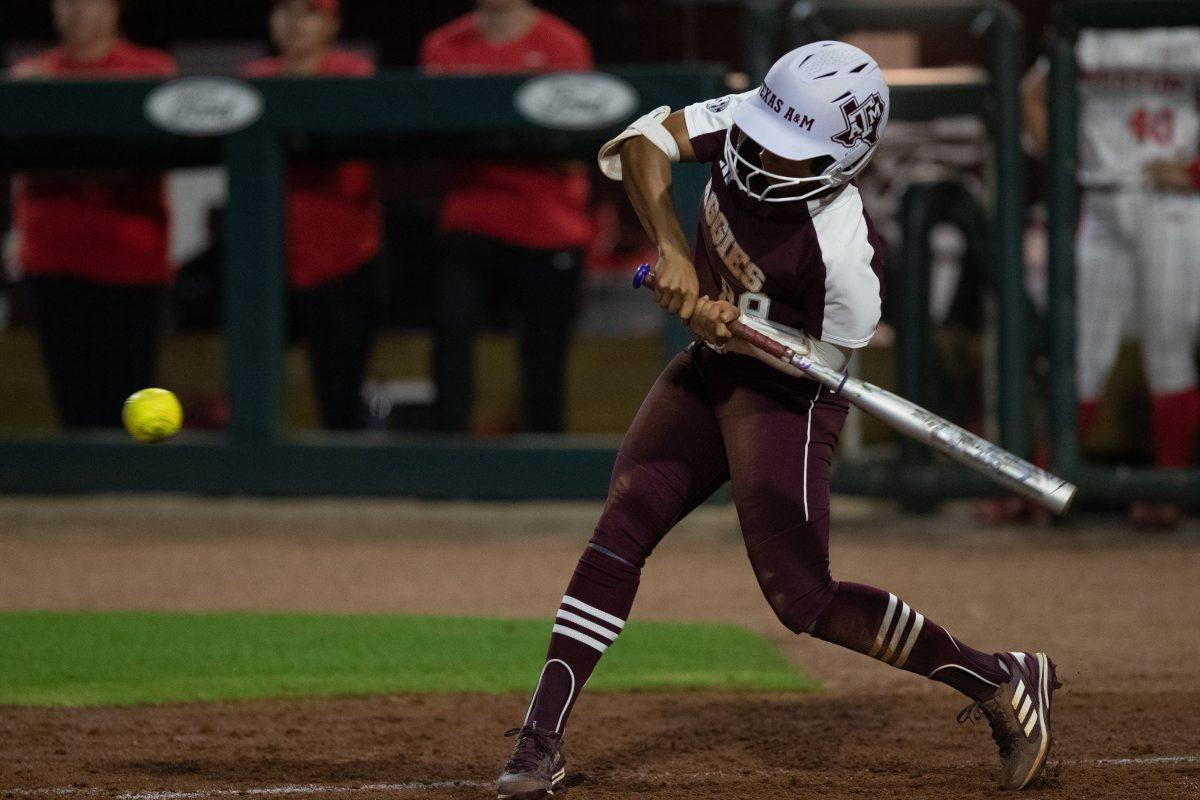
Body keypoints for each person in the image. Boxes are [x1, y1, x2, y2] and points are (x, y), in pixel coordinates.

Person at [494, 42, 1060, 800]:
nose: (761, 156)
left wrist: (741, 325)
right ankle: (540, 741)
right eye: (763, 137)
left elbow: (820, 363)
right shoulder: (744, 122)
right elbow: (643, 144)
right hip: (711, 365)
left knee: (805, 601)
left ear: (842, 156)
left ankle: (1000, 678)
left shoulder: (846, 254)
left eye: (787, 152)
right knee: (621, 529)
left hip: (787, 395)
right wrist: (672, 248)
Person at [1024, 28, 1200, 528]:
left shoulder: (1187, 29)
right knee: (1082, 355)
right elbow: (1032, 94)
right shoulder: (1091, 31)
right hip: (1101, 201)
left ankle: (1169, 491)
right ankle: (1039, 487)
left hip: (1169, 202)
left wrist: (1195, 171)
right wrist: (1064, 161)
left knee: (1167, 349)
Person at [420, 0, 594, 433]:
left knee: (543, 357)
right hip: (470, 220)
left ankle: (545, 470)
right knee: (450, 333)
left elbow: (573, 154)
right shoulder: (442, 45)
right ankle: (449, 463)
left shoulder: (564, 45)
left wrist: (490, 140)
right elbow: (429, 140)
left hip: (548, 226)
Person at [10, 0, 176, 429]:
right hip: (53, 261)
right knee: (74, 405)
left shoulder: (150, 70)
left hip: (131, 263)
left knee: (130, 406)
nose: (76, 11)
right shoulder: (32, 76)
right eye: (65, 2)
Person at [244, 0, 382, 431]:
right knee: (251, 389)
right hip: (268, 261)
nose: (295, 23)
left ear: (331, 24)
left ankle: (345, 489)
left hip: (345, 256)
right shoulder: (255, 80)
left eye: (309, 12)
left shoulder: (353, 74)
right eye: (284, 11)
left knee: (340, 391)